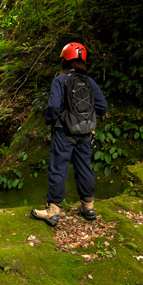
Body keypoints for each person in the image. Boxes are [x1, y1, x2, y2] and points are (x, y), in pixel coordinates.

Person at [31, 42, 108, 225]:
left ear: (64, 60)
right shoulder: (90, 82)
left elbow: (53, 107)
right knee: (84, 168)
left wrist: (52, 120)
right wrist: (89, 119)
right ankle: (88, 207)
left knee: (59, 168)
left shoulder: (60, 80)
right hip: (86, 133)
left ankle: (53, 211)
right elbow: (102, 107)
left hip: (63, 132)